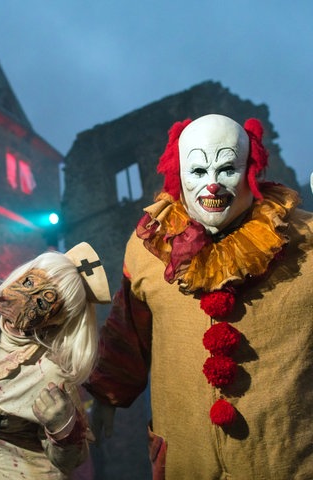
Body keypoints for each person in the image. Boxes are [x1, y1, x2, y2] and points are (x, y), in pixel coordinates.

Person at [85, 114, 313, 479]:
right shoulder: (149, 247)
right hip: (185, 459)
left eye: (226, 169)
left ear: (249, 168)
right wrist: (105, 396)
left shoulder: (306, 239)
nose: (212, 186)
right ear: (178, 173)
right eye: (197, 171)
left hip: (286, 457)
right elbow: (128, 328)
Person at [0, 239, 111, 479]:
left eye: (43, 301)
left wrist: (63, 427)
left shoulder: (51, 376)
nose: (25, 298)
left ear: (56, 320)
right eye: (28, 282)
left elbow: (72, 460)